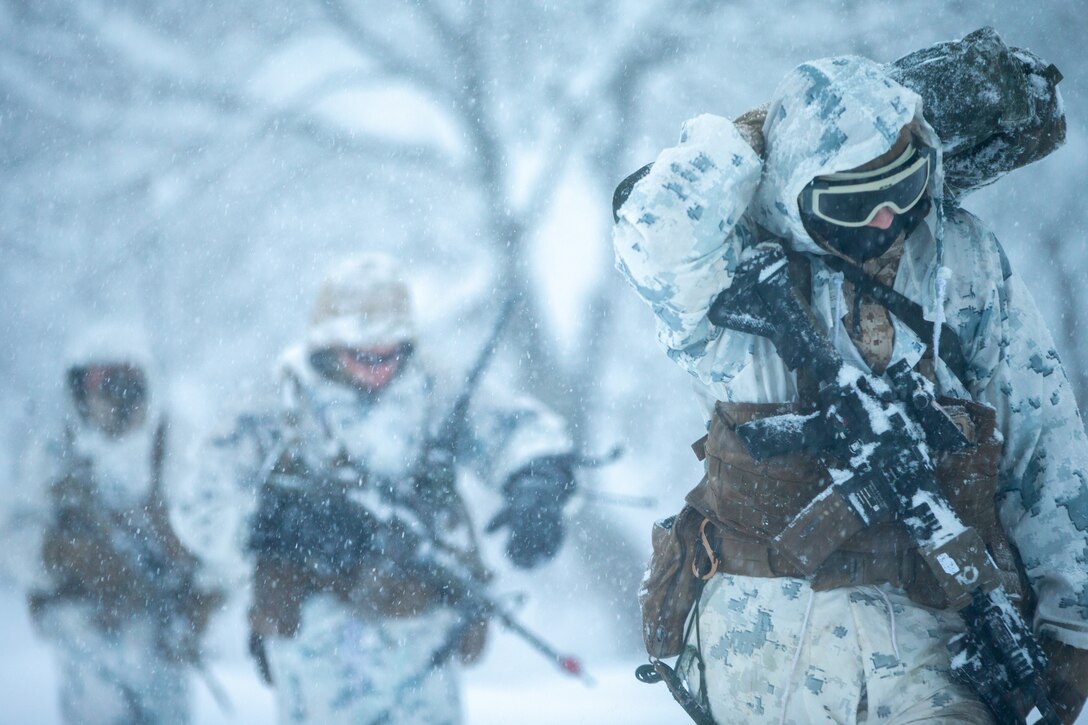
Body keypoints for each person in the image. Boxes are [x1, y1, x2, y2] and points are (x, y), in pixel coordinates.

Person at [613, 54, 1088, 724]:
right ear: (793, 191)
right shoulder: (728, 275)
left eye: (904, 187)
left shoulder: (963, 262)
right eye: (853, 202)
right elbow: (654, 231)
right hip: (766, 652)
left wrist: (1074, 628)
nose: (883, 221)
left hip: (934, 645)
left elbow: (1046, 452)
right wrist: (747, 145)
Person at [171, 253, 577, 724]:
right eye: (362, 354)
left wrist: (536, 484)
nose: (379, 367)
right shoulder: (277, 404)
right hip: (313, 646)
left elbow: (520, 431)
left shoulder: (434, 387)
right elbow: (199, 503)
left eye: (391, 352)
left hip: (422, 638)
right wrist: (276, 528)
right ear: (329, 342)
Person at [0, 322, 222, 724]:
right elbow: (14, 534)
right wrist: (62, 554)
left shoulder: (177, 443)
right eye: (102, 381)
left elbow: (220, 533)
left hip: (163, 635)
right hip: (84, 633)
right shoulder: (54, 450)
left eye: (126, 380)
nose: (115, 394)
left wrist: (202, 594)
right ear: (80, 389)